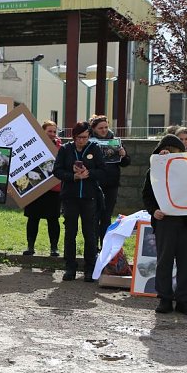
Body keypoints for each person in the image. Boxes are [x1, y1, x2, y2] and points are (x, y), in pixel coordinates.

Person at [141, 134, 187, 315]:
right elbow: (147, 196)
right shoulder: (154, 171)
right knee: (164, 261)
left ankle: (184, 299)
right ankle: (164, 298)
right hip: (165, 221)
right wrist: (153, 211)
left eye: (176, 152)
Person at [53, 121, 107, 282]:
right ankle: (70, 267)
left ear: (89, 136)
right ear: (74, 137)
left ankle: (89, 268)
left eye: (85, 137)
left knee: (89, 233)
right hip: (70, 196)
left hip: (89, 197)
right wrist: (74, 176)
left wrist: (88, 173)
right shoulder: (65, 149)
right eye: (79, 138)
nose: (82, 140)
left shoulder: (94, 149)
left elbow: (103, 170)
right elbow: (57, 170)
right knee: (70, 232)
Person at [22, 120, 62, 257]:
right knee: (33, 218)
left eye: (54, 131)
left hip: (54, 189)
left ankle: (54, 248)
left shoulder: (61, 148)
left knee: (53, 219)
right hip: (35, 188)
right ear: (42, 131)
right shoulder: (33, 146)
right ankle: (30, 246)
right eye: (49, 131)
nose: (52, 134)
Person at [89, 115, 130, 248]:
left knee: (106, 217)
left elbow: (126, 163)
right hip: (94, 183)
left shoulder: (115, 141)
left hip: (111, 183)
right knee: (94, 216)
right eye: (100, 128)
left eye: (106, 127)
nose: (104, 130)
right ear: (94, 129)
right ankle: (93, 247)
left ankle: (105, 246)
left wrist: (124, 155)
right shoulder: (90, 142)